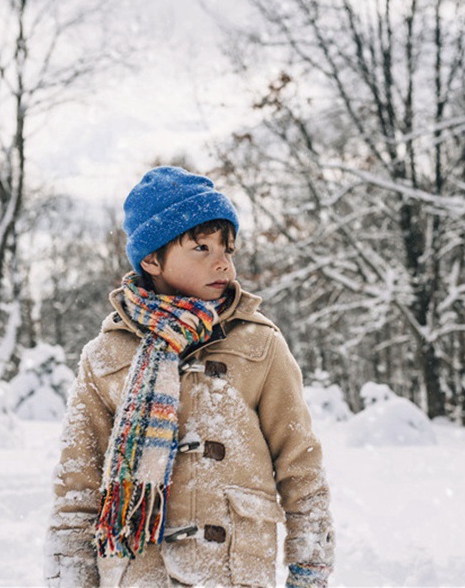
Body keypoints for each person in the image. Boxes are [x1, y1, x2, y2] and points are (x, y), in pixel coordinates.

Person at [45, 167, 334, 587]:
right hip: (139, 574)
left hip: (233, 572)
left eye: (228, 249)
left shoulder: (260, 344)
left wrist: (310, 571)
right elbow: (77, 488)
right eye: (201, 247)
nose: (222, 262)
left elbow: (301, 467)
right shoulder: (105, 356)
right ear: (151, 258)